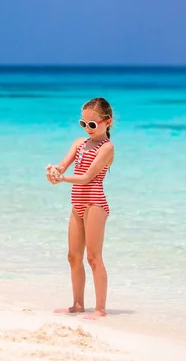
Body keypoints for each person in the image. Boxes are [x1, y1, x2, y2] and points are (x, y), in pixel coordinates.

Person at [45, 97, 115, 320]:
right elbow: (62, 165)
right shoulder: (79, 144)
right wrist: (54, 171)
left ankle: (100, 309)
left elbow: (87, 177)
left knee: (94, 258)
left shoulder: (107, 148)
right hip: (77, 203)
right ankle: (77, 305)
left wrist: (63, 179)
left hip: (95, 203)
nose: (87, 129)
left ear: (107, 122)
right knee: (73, 257)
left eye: (92, 125)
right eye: (83, 124)